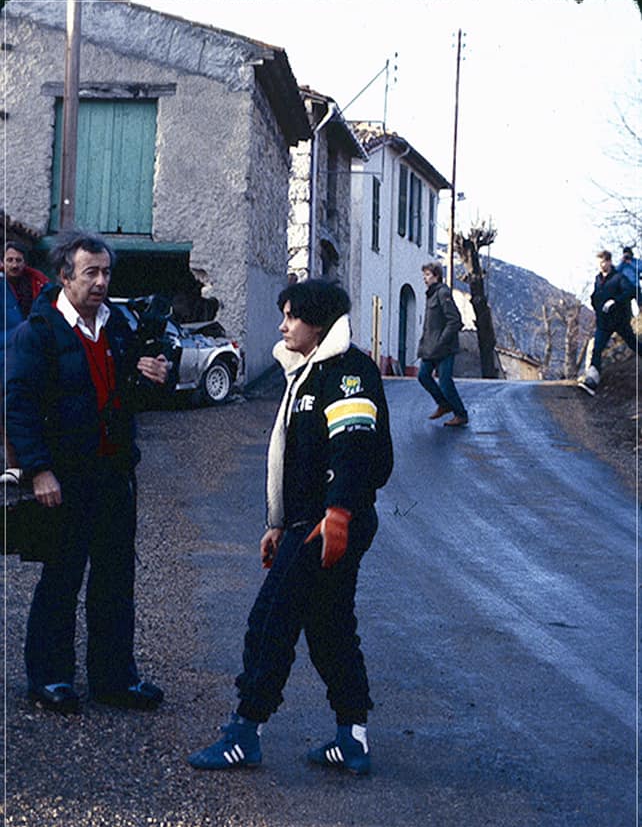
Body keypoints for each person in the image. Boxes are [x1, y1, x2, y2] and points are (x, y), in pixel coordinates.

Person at [188, 278, 393, 775]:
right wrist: (277, 523)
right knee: (329, 627)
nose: (283, 325)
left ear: (318, 322)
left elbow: (355, 449)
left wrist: (339, 513)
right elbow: (293, 460)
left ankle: (244, 732)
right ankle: (353, 738)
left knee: (270, 618)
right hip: (308, 522)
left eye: (291, 316)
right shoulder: (307, 371)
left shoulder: (346, 372)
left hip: (329, 523)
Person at [5, 230, 170, 714]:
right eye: (91, 273)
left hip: (114, 475)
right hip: (65, 478)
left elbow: (131, 399)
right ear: (64, 276)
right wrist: (38, 471)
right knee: (62, 578)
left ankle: (115, 679)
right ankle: (50, 678)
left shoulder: (117, 326)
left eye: (106, 273)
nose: (101, 282)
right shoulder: (38, 332)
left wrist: (150, 379)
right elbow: (19, 406)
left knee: (115, 582)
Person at [1, 242, 49, 470]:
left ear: (25, 262)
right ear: (2, 262)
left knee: (35, 410)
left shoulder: (39, 283)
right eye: (9, 260)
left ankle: (35, 463)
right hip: (4, 358)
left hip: (34, 357)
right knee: (8, 412)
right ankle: (13, 465)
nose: (14, 264)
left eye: (18, 260)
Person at [578, 250, 639, 396]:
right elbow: (596, 295)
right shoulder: (598, 279)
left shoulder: (619, 277)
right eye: (598, 263)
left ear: (609, 262)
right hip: (604, 322)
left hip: (620, 321)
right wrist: (595, 302)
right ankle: (591, 381)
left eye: (603, 262)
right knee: (597, 348)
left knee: (632, 343)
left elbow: (631, 291)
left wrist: (615, 301)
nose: (600, 265)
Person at [416, 261, 468, 427]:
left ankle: (460, 414)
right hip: (430, 348)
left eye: (428, 275)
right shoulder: (431, 294)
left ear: (436, 276)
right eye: (424, 275)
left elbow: (455, 321)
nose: (425, 278)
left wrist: (442, 340)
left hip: (444, 348)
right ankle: (444, 405)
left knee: (445, 382)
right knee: (423, 376)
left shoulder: (442, 292)